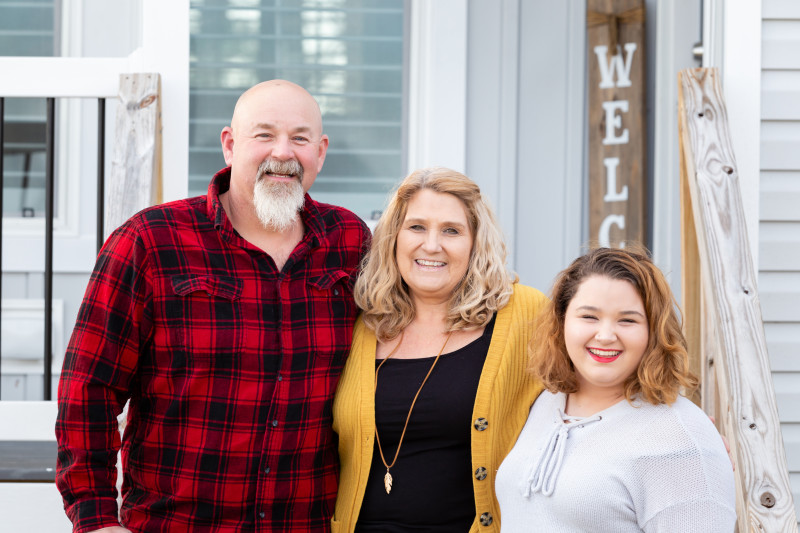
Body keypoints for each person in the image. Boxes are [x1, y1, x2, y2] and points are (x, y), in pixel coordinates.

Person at [55, 80, 370, 533]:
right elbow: (89, 389)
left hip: (309, 523)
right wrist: (97, 518)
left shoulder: (350, 242)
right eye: (264, 134)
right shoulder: (151, 241)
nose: (283, 153)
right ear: (230, 144)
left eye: (300, 138)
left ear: (320, 152)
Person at [332, 167, 549, 532]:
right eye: (416, 227)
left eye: (451, 230)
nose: (432, 245)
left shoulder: (525, 314)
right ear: (393, 238)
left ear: (475, 242)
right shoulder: (359, 323)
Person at [495, 246, 737, 532]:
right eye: (589, 317)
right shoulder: (545, 400)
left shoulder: (679, 438)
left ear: (654, 331)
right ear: (561, 322)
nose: (606, 335)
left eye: (627, 320)